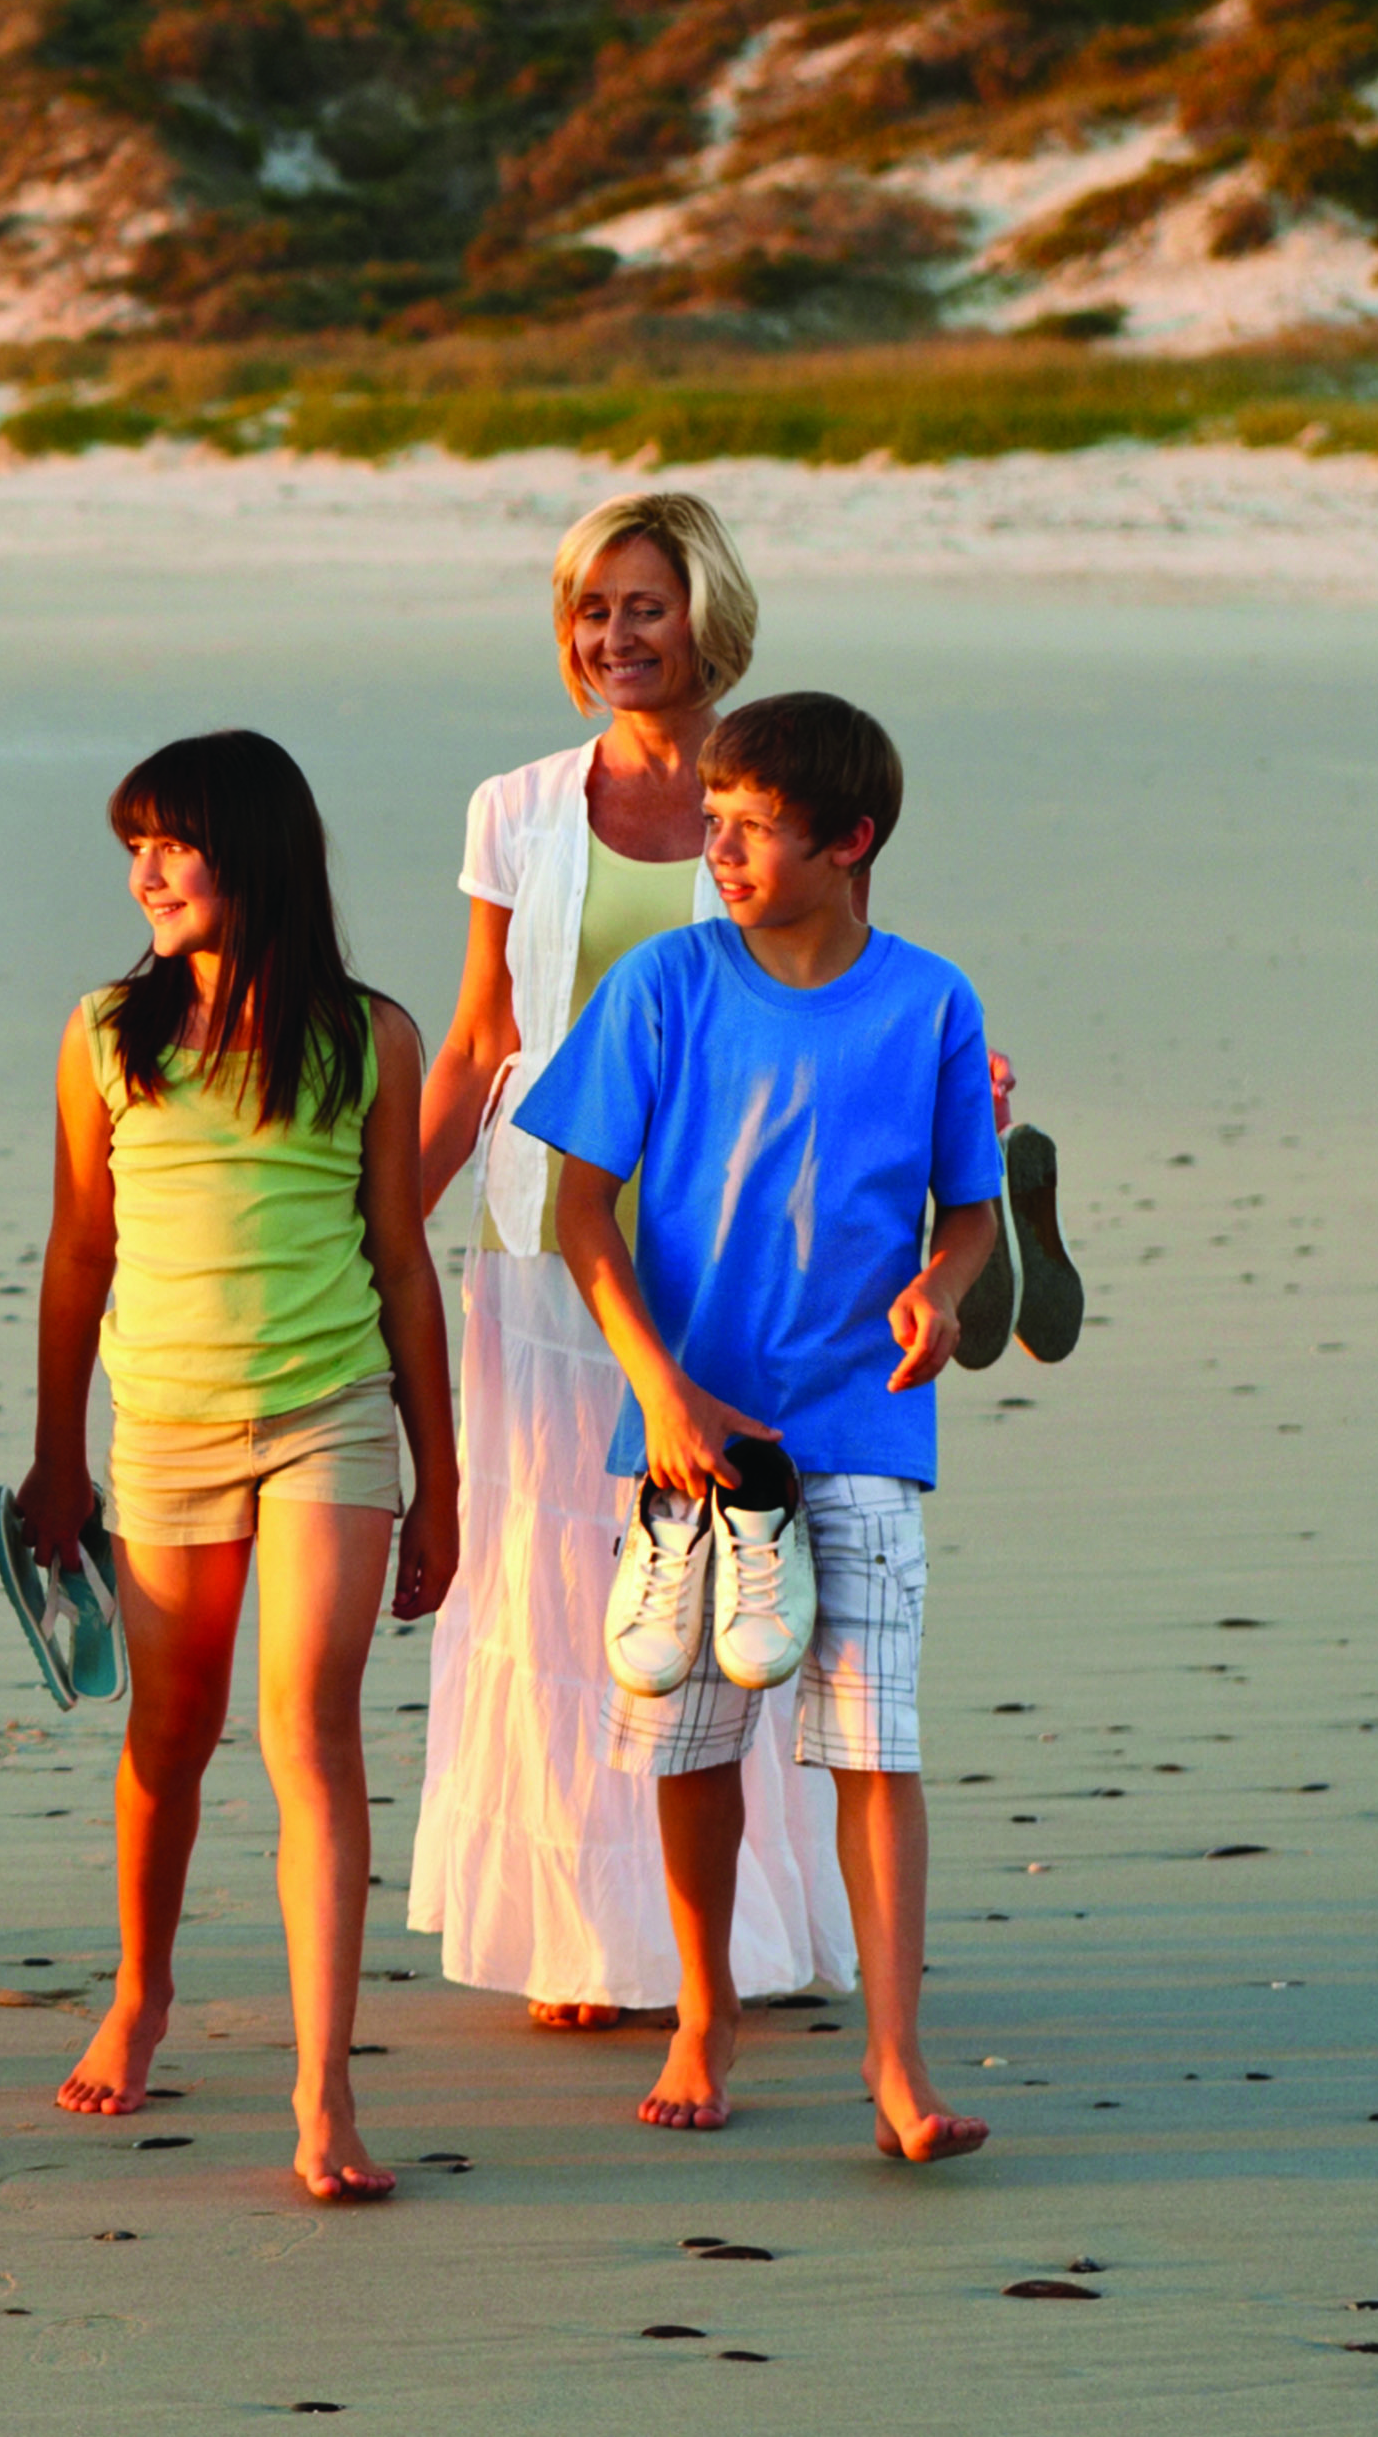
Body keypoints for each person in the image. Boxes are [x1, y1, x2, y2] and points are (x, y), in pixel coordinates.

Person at [518, 690, 1002, 2161]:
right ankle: (701, 2014)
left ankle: (897, 2063)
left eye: (749, 829)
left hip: (861, 1421)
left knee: (876, 1748)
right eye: (709, 825)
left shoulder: (932, 1002)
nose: (717, 851)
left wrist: (944, 1290)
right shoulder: (665, 985)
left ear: (849, 841)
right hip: (691, 1433)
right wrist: (657, 1388)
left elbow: (969, 1213)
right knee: (691, 1743)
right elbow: (576, 1208)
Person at [407, 493, 857, 2031]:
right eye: (593, 610)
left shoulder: (783, 799)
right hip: (544, 1249)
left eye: (645, 606)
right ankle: (588, 1942)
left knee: (729, 1582)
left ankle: (736, 1935)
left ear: (706, 612)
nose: (616, 637)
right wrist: (381, 1229)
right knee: (559, 1589)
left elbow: (831, 1003)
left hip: (734, 1256)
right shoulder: (517, 807)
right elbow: (479, 1041)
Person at [9, 732, 457, 2206]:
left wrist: (438, 1482)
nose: (143, 872)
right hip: (167, 1427)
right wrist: (53, 1457)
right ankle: (141, 1987)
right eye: (132, 845)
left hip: (332, 1415)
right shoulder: (103, 1037)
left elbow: (402, 1263)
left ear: (251, 854)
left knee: (309, 1727)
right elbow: (79, 1257)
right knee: (171, 1737)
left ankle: (324, 2088)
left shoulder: (370, 1037)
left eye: (171, 844)